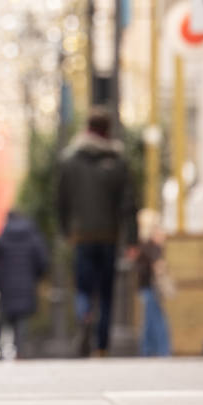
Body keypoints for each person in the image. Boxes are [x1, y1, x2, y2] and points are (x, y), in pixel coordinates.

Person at [57, 107, 137, 358]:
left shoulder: (70, 160)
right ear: (108, 131)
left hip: (81, 236)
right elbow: (128, 204)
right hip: (109, 237)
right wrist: (132, 239)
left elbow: (61, 201)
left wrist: (65, 230)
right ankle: (101, 347)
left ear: (87, 128)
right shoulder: (118, 162)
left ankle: (85, 316)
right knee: (106, 293)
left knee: (83, 287)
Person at [0, 208, 49, 359]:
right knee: (22, 321)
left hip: (6, 287)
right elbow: (43, 261)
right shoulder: (33, 236)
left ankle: (1, 351)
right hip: (26, 286)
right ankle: (20, 352)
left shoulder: (2, 236)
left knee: (5, 319)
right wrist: (36, 276)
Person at [134, 208, 173, 357]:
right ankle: (161, 349)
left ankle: (148, 349)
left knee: (150, 320)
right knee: (157, 321)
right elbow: (158, 264)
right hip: (150, 287)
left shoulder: (143, 244)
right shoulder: (152, 245)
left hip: (145, 287)